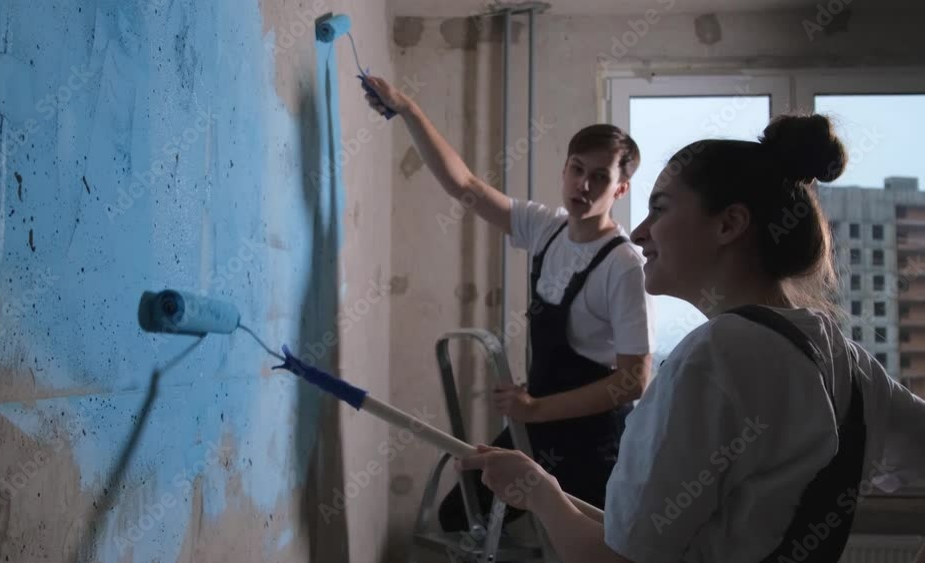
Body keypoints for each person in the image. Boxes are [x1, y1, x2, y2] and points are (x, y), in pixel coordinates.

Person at [457, 113, 925, 562]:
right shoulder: (848, 360)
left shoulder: (713, 357)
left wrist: (538, 491)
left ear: (729, 224)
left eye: (659, 209)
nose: (639, 232)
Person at [361, 76, 654, 530]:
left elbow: (634, 380)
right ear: (564, 171)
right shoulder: (546, 227)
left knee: (587, 546)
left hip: (595, 441)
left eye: (601, 177)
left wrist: (535, 408)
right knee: (464, 516)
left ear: (620, 190)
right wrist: (406, 109)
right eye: (577, 169)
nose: (584, 184)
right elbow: (465, 185)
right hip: (537, 422)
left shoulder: (623, 266)